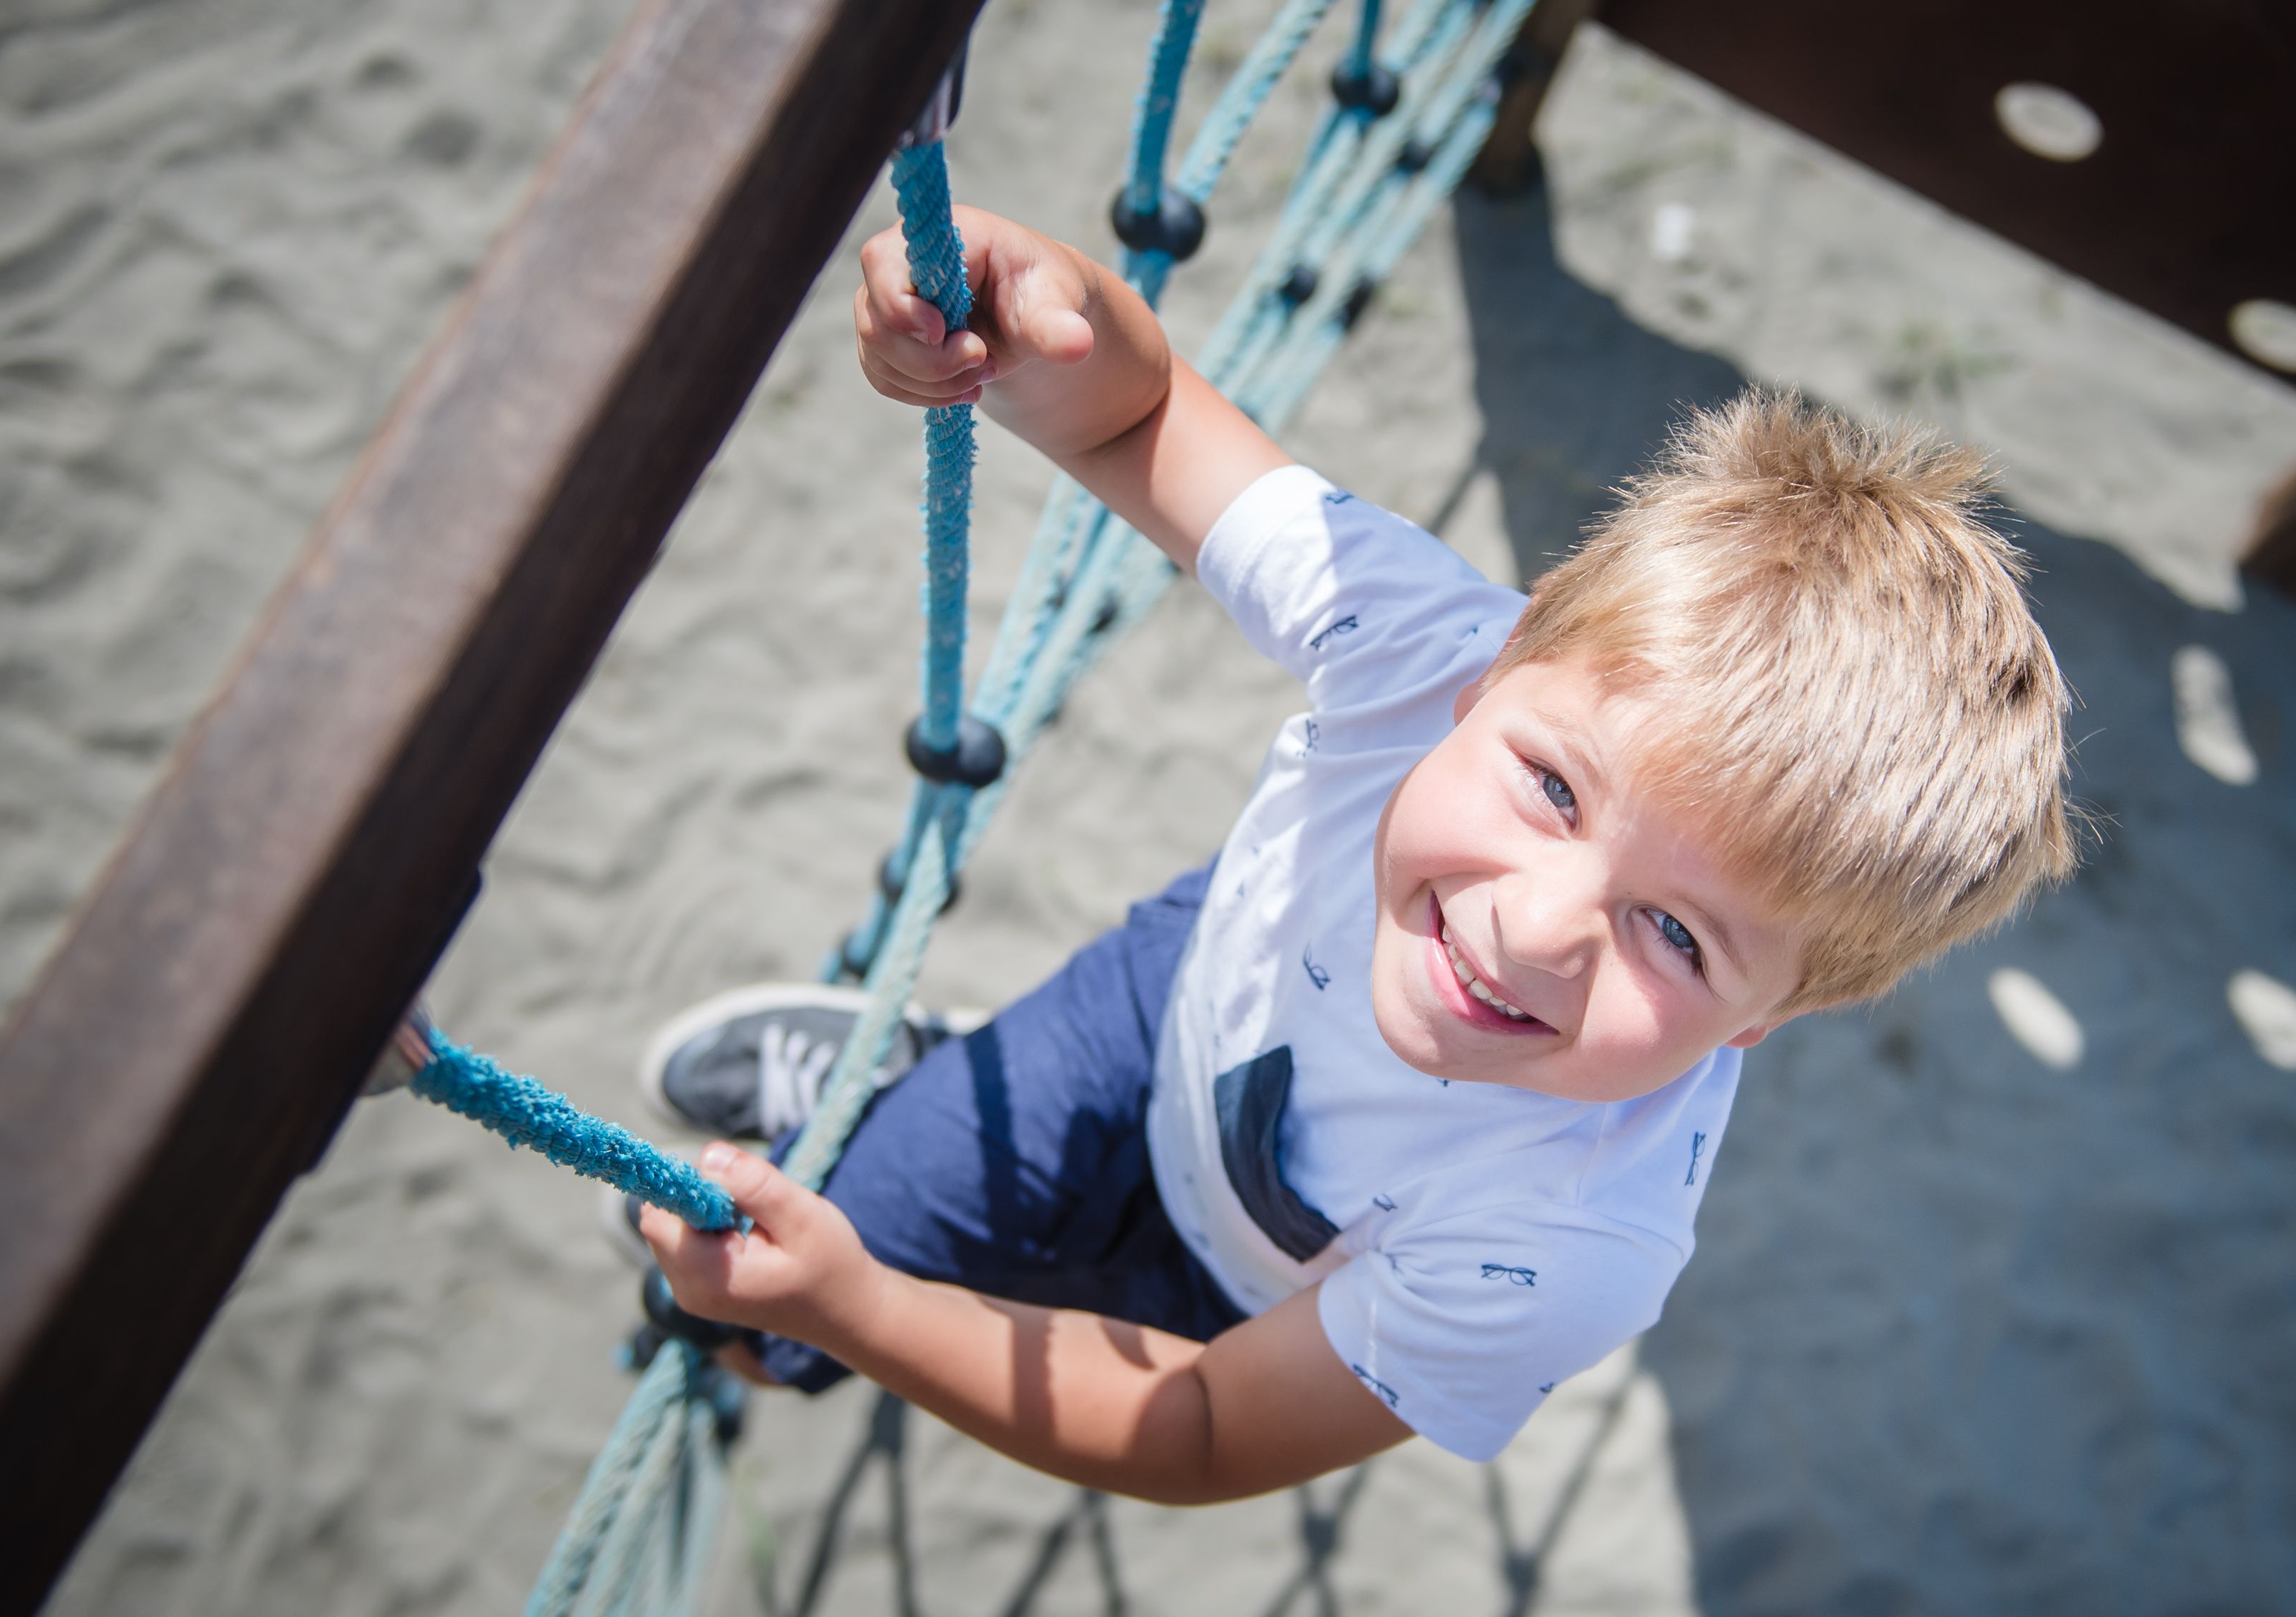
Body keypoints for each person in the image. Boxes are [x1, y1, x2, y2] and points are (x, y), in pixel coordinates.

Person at [634, 205, 2074, 1504]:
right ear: (1491, 671)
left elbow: (1197, 1426)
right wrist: (1041, 313)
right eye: (1555, 790)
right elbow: (1133, 419)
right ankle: (916, 1082)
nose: (1540, 926)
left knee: (804, 1310)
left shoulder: (1567, 1244)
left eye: (1679, 936)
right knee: (735, 1322)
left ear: (1773, 1016)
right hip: (1174, 1002)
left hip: (1233, 1290)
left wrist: (858, 1304)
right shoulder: (1425, 636)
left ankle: (880, 1174)